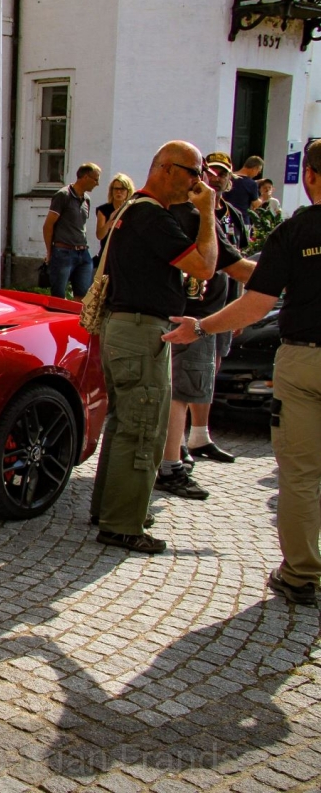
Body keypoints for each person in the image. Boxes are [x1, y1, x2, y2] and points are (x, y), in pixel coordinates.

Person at [164, 139, 321, 607]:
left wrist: (200, 326)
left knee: (301, 475)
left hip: (305, 359)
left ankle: (301, 575)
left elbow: (256, 304)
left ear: (310, 176)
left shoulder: (296, 231)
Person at [89, 141, 218, 555]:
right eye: (194, 172)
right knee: (142, 426)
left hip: (124, 328)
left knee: (124, 423)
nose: (198, 182)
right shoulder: (152, 215)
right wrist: (208, 213)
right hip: (141, 331)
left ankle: (110, 510)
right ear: (166, 169)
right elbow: (205, 266)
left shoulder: (133, 210)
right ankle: (121, 524)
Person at [154, 152, 256, 501]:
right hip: (192, 317)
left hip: (195, 314)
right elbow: (228, 266)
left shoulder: (168, 210)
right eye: (202, 174)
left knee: (184, 388)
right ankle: (171, 464)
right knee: (181, 392)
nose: (209, 180)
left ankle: (184, 448)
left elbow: (235, 263)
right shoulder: (192, 215)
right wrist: (287, 277)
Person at [43, 163, 101, 299]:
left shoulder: (86, 199)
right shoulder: (63, 195)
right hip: (63, 252)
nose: (97, 184)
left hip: (83, 253)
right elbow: (48, 226)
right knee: (58, 297)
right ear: (85, 177)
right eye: (95, 179)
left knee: (83, 297)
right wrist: (50, 252)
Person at [94, 172, 135, 260]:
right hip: (107, 254)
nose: (118, 192)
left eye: (122, 189)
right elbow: (100, 235)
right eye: (116, 189)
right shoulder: (104, 210)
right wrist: (110, 221)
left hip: (126, 254)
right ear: (111, 191)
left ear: (128, 191)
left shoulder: (132, 210)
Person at [224, 155, 264, 220]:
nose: (257, 174)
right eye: (258, 171)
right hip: (241, 219)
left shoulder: (229, 177)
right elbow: (255, 204)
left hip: (226, 217)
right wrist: (263, 196)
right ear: (254, 168)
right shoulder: (251, 184)